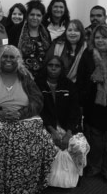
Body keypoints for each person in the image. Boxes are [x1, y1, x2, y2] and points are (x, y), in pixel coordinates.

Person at [0, 45, 57, 194]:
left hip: (23, 117)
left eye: (12, 57)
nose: (8, 60)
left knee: (34, 138)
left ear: (18, 60)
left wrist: (21, 114)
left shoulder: (25, 76)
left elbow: (37, 100)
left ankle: (22, 186)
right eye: (5, 57)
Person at [77, 24, 107, 179]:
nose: (100, 40)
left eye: (104, 37)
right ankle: (94, 167)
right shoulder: (88, 54)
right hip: (93, 103)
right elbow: (81, 78)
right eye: (97, 37)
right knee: (95, 137)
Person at [36, 56, 81, 149]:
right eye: (50, 65)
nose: (53, 68)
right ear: (45, 67)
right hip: (45, 126)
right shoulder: (38, 84)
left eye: (57, 66)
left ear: (62, 68)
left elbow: (75, 110)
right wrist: (52, 131)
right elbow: (39, 110)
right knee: (47, 146)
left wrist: (69, 133)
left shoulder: (69, 85)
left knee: (78, 147)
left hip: (68, 127)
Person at [12, 0, 51, 76]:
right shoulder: (16, 30)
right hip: (20, 75)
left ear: (42, 17)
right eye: (32, 14)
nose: (35, 18)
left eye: (38, 15)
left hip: (41, 77)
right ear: (27, 15)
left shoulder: (46, 32)